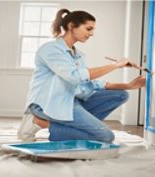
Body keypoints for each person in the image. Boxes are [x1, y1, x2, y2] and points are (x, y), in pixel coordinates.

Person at [17, 9, 146, 143]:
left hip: (71, 100)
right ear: (71, 26)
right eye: (88, 29)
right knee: (105, 137)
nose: (91, 34)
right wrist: (115, 65)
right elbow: (75, 77)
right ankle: (41, 122)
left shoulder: (79, 55)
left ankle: (76, 129)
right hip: (48, 104)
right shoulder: (50, 50)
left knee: (121, 94)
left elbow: (89, 83)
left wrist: (129, 86)